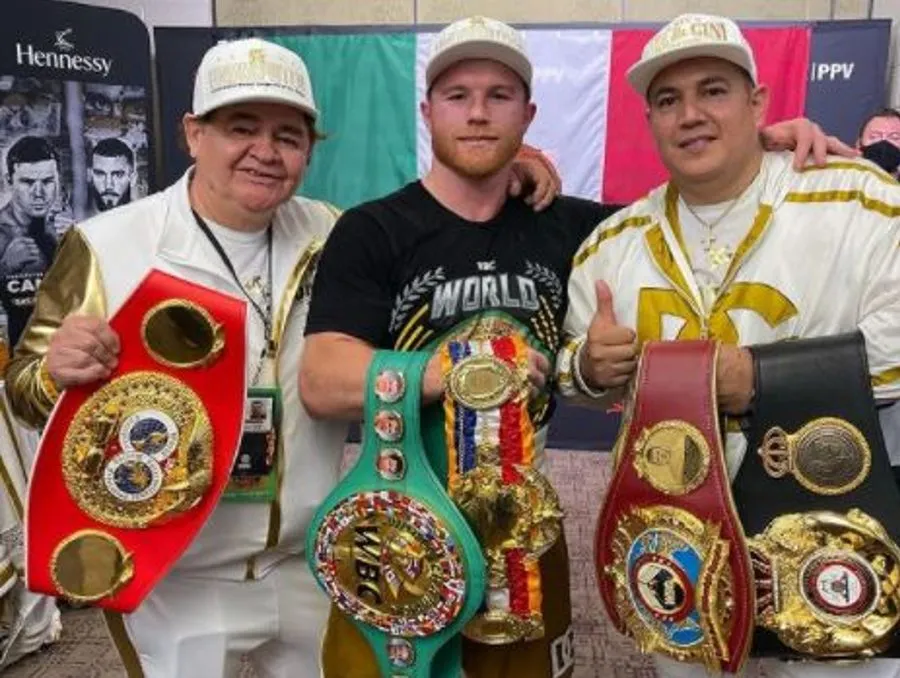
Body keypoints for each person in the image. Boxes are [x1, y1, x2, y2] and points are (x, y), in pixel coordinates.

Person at [298, 15, 854, 678]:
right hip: (401, 514)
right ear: (428, 111)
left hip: (524, 526)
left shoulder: (576, 228)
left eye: (499, 96)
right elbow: (323, 379)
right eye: (457, 96)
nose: (477, 113)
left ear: (528, 115)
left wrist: (760, 148)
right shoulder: (373, 229)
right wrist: (456, 371)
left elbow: (693, 199)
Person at [3, 36, 564, 678]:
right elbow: (24, 387)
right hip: (177, 572)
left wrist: (505, 167)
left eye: (288, 136)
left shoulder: (336, 232)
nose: (265, 152)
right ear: (193, 134)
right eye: (241, 128)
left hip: (317, 557)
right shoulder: (107, 243)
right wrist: (55, 373)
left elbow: (435, 215)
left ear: (309, 150)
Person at [557, 12, 900, 678]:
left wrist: (759, 377)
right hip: (678, 527)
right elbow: (572, 375)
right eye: (667, 100)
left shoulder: (859, 201)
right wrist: (589, 368)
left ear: (758, 102)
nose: (690, 115)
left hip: (832, 518)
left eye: (713, 90)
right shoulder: (612, 245)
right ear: (650, 121)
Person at [0, 135, 60, 348]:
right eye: (27, 182)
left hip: (62, 355)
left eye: (47, 181)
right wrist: (4, 269)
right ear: (9, 181)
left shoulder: (61, 230)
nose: (39, 193)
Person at [88, 137, 136, 214]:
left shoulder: (146, 217)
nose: (108, 185)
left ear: (133, 178)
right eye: (100, 174)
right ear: (90, 176)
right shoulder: (74, 218)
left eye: (118, 175)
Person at [857, 107, 900, 177]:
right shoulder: (844, 180)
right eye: (874, 137)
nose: (884, 141)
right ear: (859, 144)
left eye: (894, 138)